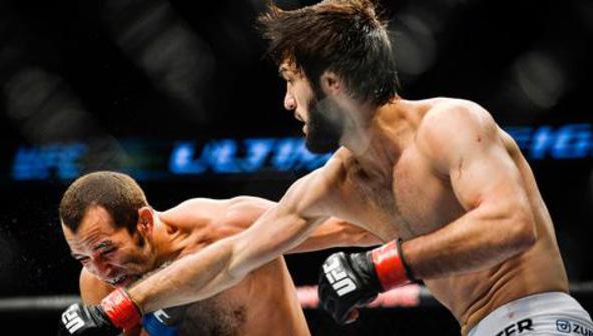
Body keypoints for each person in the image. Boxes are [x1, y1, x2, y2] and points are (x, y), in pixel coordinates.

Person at [59, 1, 593, 335]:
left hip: (539, 319)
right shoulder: (335, 185)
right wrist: (120, 310)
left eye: (292, 82)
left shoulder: (450, 124)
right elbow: (231, 258)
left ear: (331, 84)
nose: (289, 103)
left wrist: (381, 267)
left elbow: (511, 225)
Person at [57, 171, 379, 335]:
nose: (101, 269)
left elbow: (356, 228)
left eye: (106, 249)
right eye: (83, 258)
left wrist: (377, 268)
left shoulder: (228, 227)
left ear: (143, 222)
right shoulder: (98, 284)